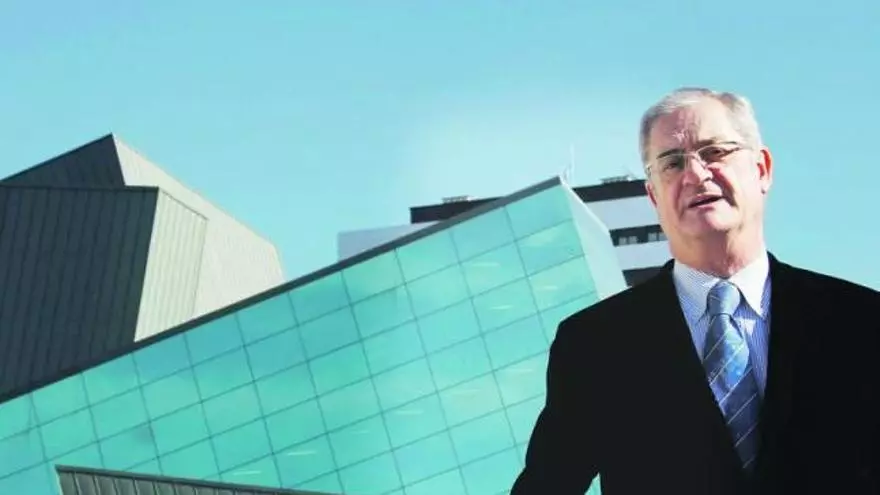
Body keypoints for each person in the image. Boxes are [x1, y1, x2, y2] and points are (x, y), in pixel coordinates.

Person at [510, 87, 880, 494]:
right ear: (653, 195)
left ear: (762, 169)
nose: (695, 174)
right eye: (672, 162)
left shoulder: (861, 323)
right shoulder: (594, 343)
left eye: (715, 152)